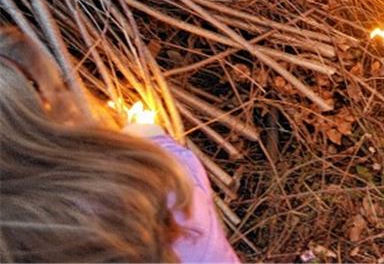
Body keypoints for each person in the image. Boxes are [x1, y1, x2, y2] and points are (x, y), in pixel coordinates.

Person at [0, 27, 240, 263]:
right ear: (45, 105)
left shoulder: (16, 237)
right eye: (61, 86)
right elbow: (196, 226)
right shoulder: (143, 182)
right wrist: (152, 143)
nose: (73, 94)